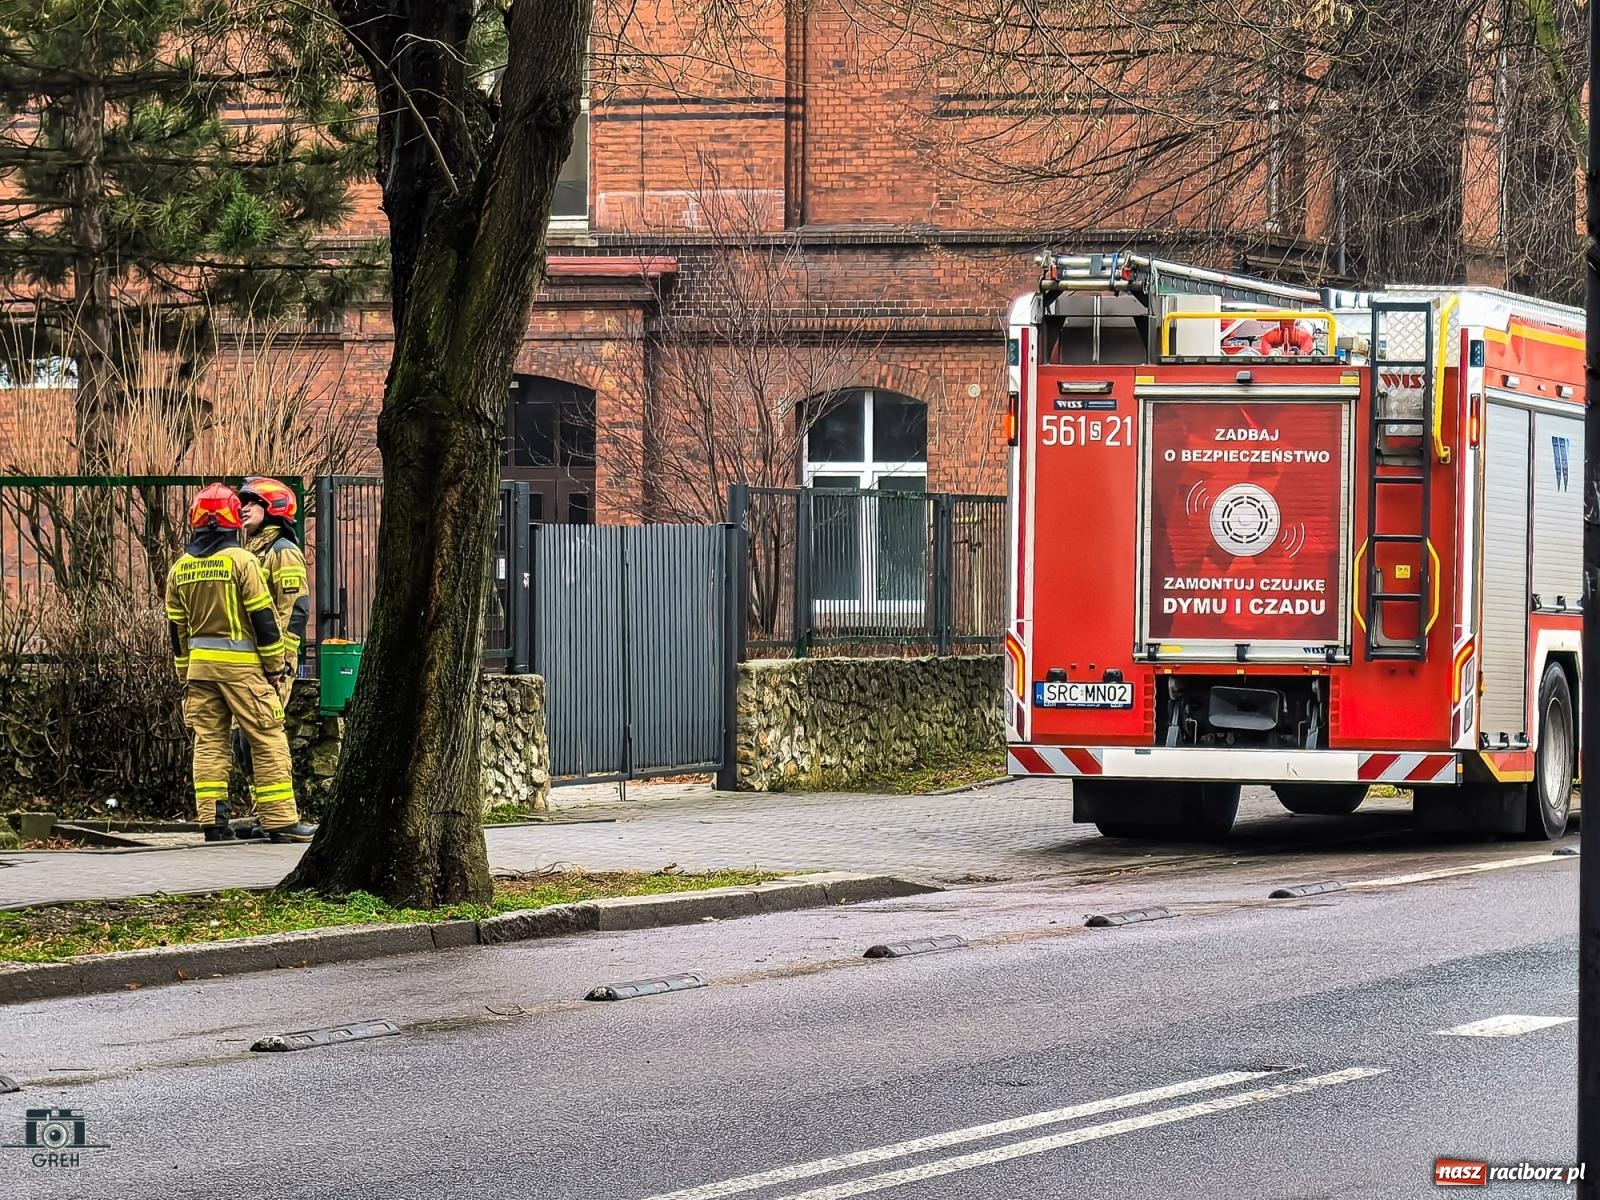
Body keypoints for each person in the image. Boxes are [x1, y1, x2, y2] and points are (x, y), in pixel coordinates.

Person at [165, 482, 317, 844]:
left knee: (209, 743)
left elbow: (176, 629)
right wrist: (276, 666)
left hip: (200, 671)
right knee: (267, 738)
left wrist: (184, 671)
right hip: (244, 671)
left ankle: (213, 824)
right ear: (231, 518)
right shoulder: (242, 561)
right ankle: (281, 822)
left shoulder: (179, 569)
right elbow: (264, 618)